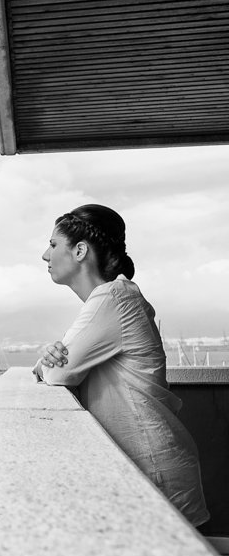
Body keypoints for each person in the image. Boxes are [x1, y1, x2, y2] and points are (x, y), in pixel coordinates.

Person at [35, 204, 209, 527]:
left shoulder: (112, 297)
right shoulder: (111, 299)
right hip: (150, 467)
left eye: (53, 244)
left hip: (155, 469)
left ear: (80, 251)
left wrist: (49, 360)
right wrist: (49, 357)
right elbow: (54, 365)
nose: (45, 255)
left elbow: (57, 372)